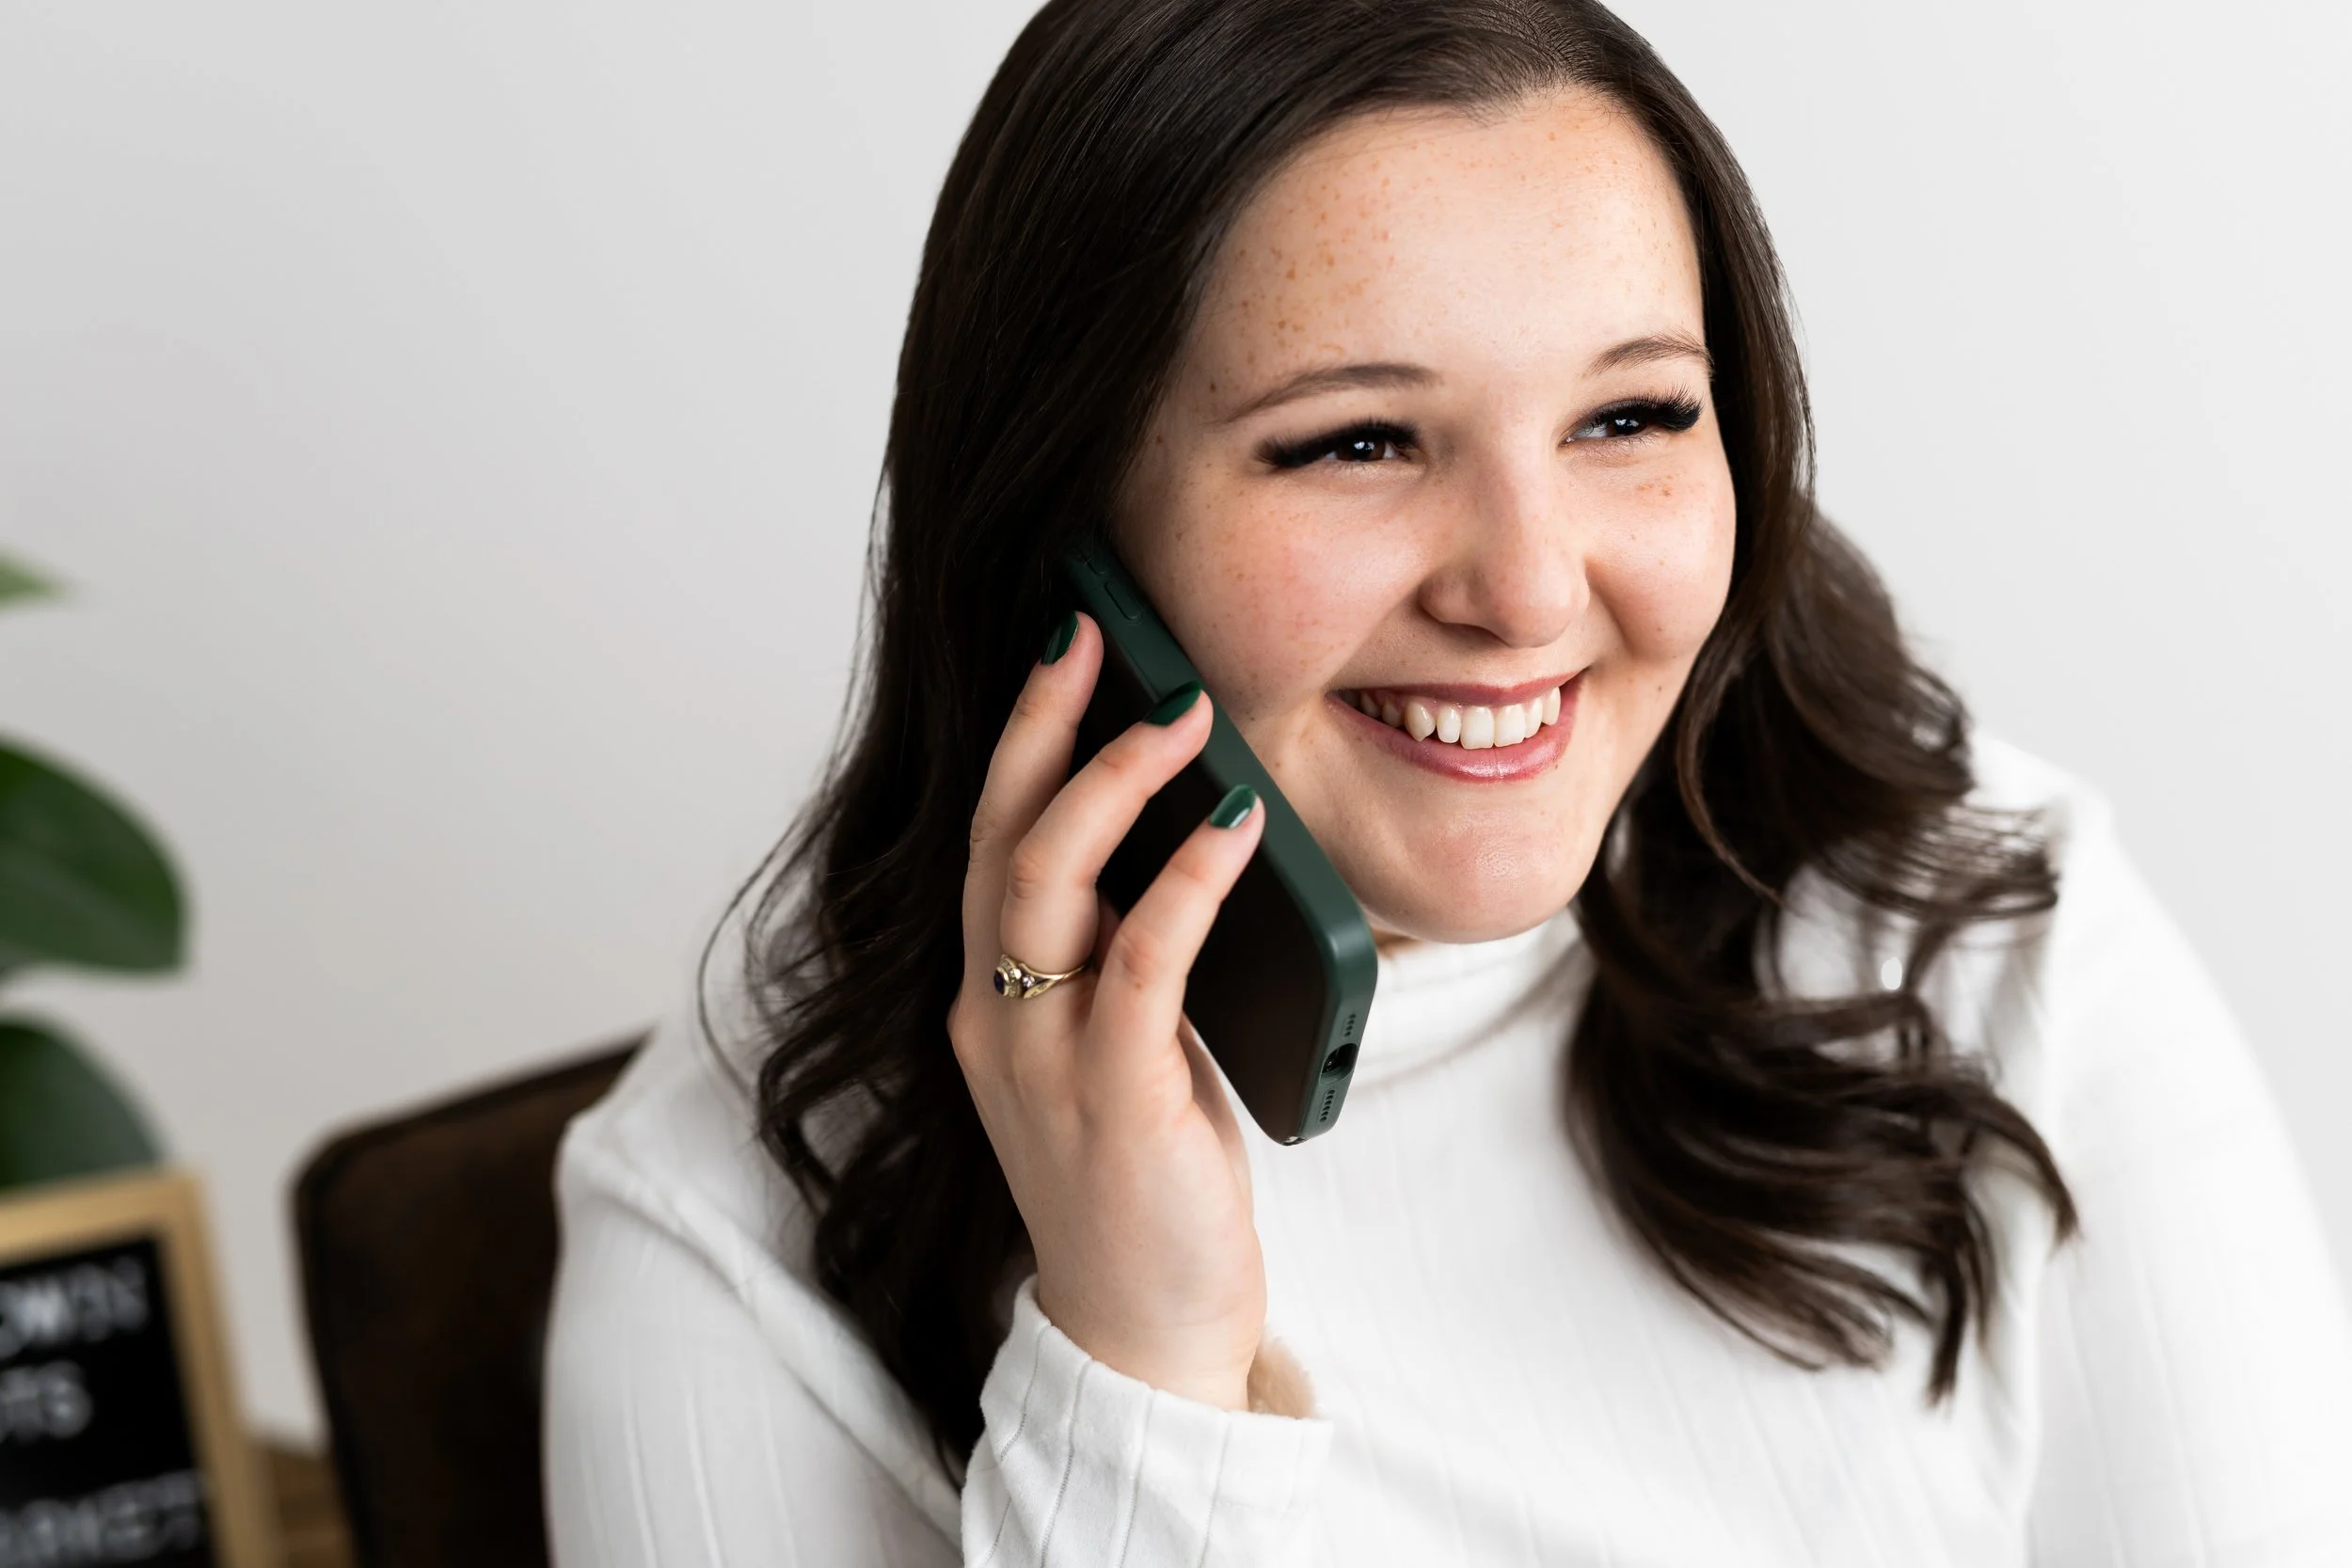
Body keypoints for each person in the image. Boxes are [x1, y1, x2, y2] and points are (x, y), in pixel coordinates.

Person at [541, 1, 2352, 1561]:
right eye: (1357, 441)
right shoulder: (725, 1245)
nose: (1532, 589)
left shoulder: (1985, 925)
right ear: (1063, 531)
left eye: (1631, 415)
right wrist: (1146, 1363)